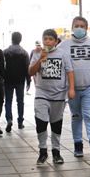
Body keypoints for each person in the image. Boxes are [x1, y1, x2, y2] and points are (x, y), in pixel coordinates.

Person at [59, 16, 90, 160]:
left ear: (86, 28)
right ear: (72, 27)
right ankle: (78, 144)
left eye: (82, 26)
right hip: (72, 89)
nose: (79, 28)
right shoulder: (63, 46)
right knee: (76, 117)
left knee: (89, 116)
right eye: (76, 25)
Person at [29, 29, 75, 165]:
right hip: (41, 93)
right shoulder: (37, 53)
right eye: (45, 39)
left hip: (59, 94)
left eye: (50, 39)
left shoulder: (63, 54)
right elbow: (31, 71)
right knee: (40, 121)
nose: (47, 41)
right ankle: (43, 150)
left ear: (56, 41)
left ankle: (56, 151)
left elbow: (70, 71)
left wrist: (71, 89)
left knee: (56, 123)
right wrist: (40, 59)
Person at [3, 32, 30, 131]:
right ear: (20, 40)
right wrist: (28, 81)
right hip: (20, 80)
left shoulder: (5, 52)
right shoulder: (24, 53)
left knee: (8, 101)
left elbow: (2, 67)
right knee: (20, 101)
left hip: (8, 80)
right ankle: (20, 122)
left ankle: (9, 119)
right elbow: (28, 68)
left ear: (11, 39)